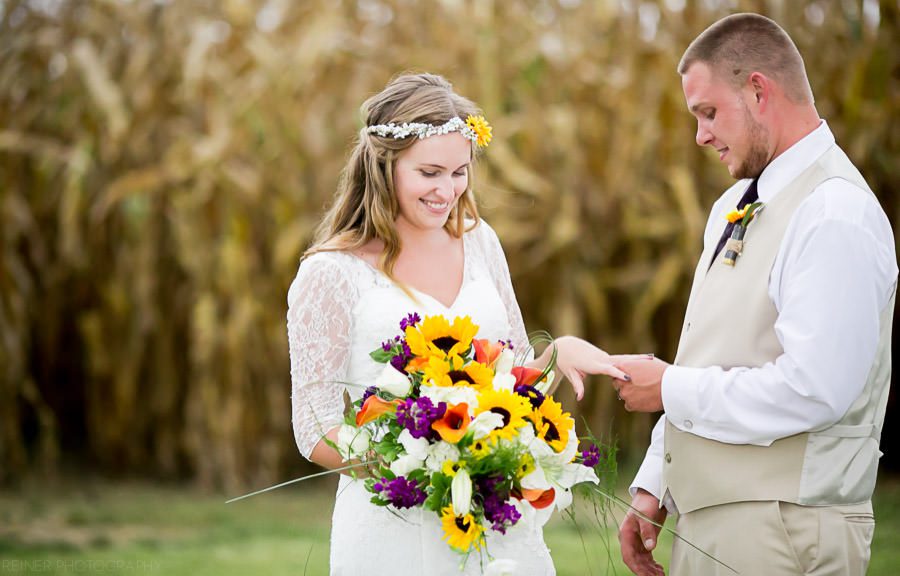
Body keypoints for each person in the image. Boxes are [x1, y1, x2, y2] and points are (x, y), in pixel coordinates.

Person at [593, 13, 895, 576]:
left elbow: (814, 389)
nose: (700, 135)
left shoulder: (834, 212)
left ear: (758, 90)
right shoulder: (732, 207)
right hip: (715, 525)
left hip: (785, 530)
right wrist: (656, 481)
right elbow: (711, 353)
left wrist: (668, 387)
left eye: (708, 112)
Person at [286, 73, 623, 576]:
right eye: (430, 172)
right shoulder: (331, 273)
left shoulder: (480, 240)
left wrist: (558, 354)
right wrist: (421, 463)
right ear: (384, 166)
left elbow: (511, 379)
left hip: (491, 516)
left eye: (460, 172)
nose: (447, 190)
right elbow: (314, 428)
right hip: (393, 522)